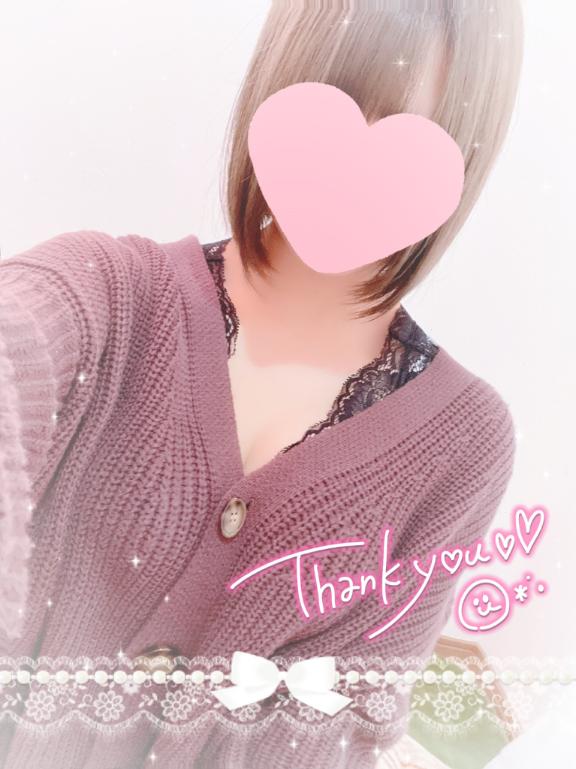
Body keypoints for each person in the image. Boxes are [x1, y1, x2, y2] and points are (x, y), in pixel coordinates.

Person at [0, 1, 524, 767]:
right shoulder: (106, 295)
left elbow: (344, 725)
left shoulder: (462, 444)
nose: (353, 180)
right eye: (337, 112)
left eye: (413, 145)